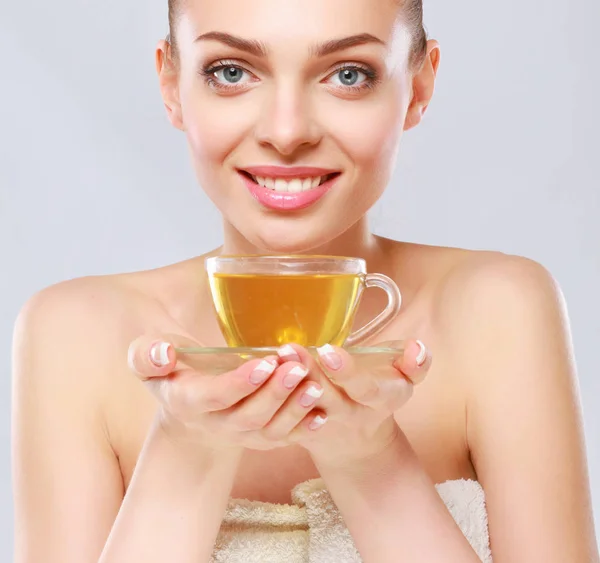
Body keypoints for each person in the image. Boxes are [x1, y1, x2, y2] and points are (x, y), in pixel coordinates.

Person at [11, 0, 599, 561]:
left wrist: (372, 459)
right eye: (231, 70)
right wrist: (187, 451)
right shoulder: (75, 334)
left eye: (348, 74)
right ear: (172, 86)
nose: (287, 132)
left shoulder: (498, 310)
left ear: (418, 86)